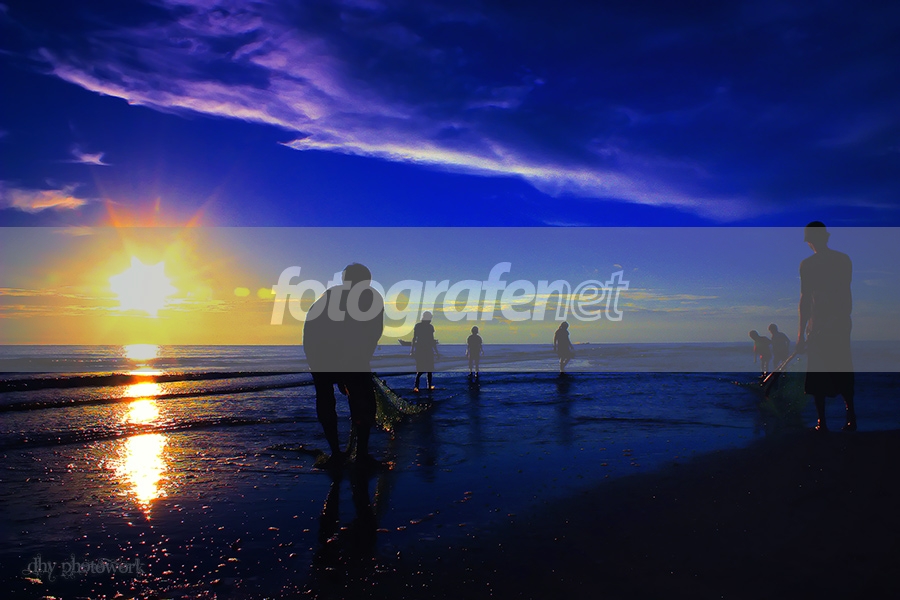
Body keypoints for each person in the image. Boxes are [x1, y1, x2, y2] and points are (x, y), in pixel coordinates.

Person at [303, 263, 384, 468]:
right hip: (329, 356)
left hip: (326, 358)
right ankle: (356, 454)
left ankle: (340, 454)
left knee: (330, 401)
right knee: (361, 402)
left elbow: (309, 329)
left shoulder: (331, 296)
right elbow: (373, 334)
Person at [797, 222, 855, 432]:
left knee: (834, 369)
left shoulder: (833, 261)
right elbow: (806, 300)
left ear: (810, 241)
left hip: (835, 324)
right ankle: (837, 419)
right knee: (828, 370)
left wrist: (804, 333)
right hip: (823, 324)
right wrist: (802, 334)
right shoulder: (840, 259)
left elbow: (842, 293)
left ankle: (829, 421)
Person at [411, 311, 438, 392]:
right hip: (427, 349)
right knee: (428, 369)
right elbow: (431, 340)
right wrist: (436, 351)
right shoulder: (430, 327)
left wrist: (412, 350)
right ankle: (428, 386)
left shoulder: (418, 326)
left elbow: (414, 338)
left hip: (420, 349)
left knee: (421, 368)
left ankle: (417, 387)